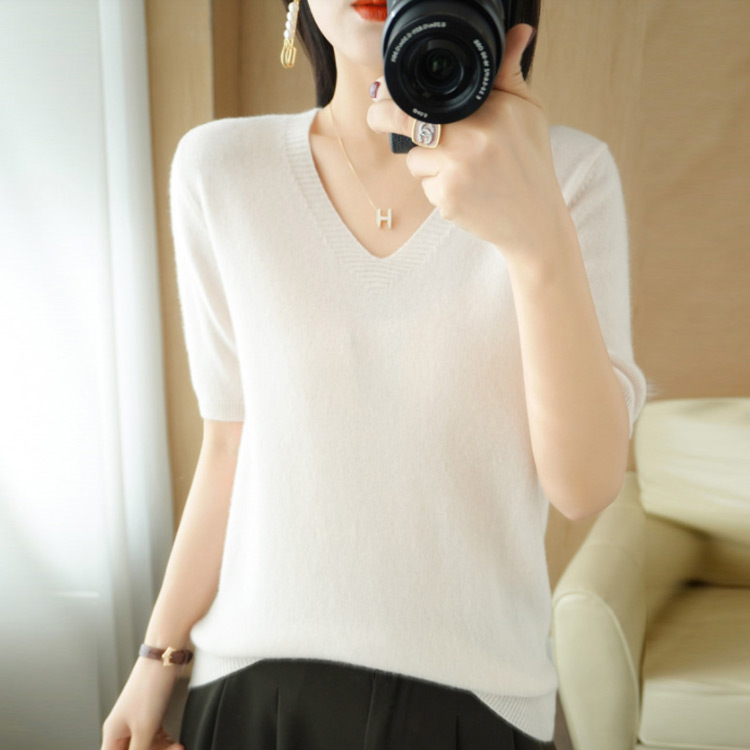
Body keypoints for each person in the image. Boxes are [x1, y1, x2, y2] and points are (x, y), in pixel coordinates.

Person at [101, 0, 648, 748]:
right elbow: (229, 445)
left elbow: (583, 488)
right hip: (254, 690)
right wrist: (155, 661)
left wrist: (536, 238)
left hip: (478, 700)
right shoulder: (220, 168)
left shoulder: (570, 175)